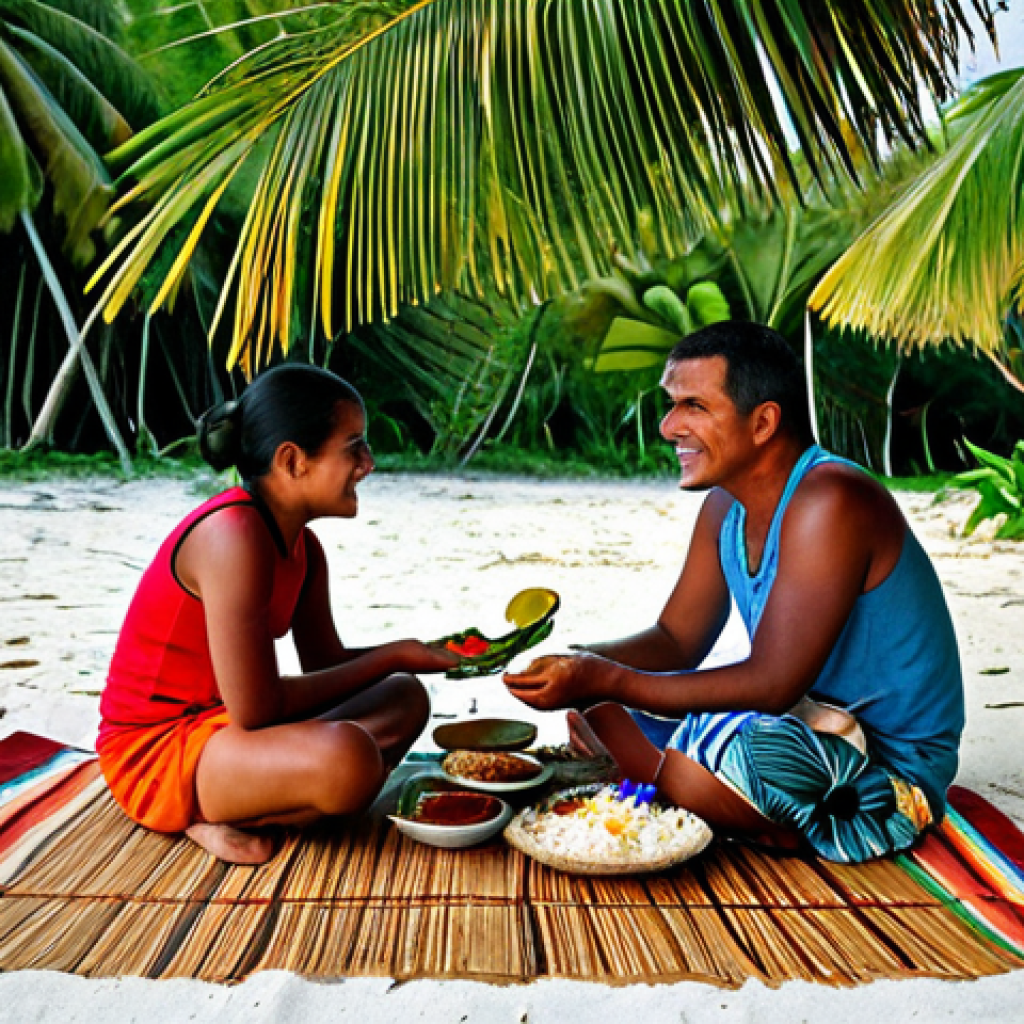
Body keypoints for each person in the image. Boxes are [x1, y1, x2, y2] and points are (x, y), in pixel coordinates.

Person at [505, 321, 964, 863]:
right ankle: (693, 788)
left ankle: (698, 789)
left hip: (884, 765)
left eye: (693, 405)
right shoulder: (724, 507)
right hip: (805, 720)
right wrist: (581, 664)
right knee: (602, 703)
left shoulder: (831, 500)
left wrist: (607, 680)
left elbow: (771, 684)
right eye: (671, 405)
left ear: (764, 421)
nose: (669, 425)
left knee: (729, 743)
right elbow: (677, 639)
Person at [98, 364, 456, 864]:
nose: (369, 463)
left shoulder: (304, 549)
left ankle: (261, 800)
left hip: (225, 731)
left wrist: (422, 656)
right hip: (157, 750)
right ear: (293, 461)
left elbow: (325, 663)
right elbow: (258, 710)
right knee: (348, 760)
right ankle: (203, 815)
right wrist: (395, 654)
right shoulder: (233, 535)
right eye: (354, 446)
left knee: (404, 697)